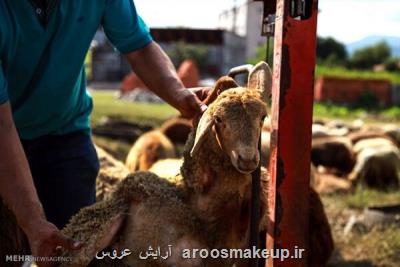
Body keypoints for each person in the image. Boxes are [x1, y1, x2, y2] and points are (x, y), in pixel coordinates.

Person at [0, 1, 208, 266]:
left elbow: (139, 45)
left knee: (74, 248)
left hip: (63, 133)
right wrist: (33, 221)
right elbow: (2, 128)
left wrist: (178, 94)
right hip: (5, 136)